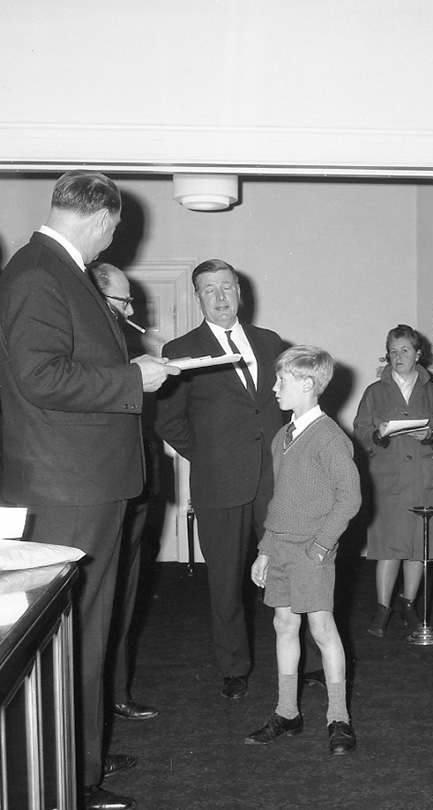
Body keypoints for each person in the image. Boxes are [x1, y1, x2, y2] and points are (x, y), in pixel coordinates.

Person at [0, 171, 178, 810]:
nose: (113, 237)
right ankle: (71, 777)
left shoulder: (49, 269)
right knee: (73, 635)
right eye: (114, 226)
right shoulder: (40, 273)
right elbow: (41, 376)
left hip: (79, 481)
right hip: (66, 485)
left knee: (89, 628)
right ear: (101, 217)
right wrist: (133, 378)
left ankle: (83, 758)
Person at [154, 259, 285, 700]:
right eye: (209, 290)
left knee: (287, 574)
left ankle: (296, 660)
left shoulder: (269, 342)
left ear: (240, 292)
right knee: (226, 581)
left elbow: (281, 407)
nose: (221, 296)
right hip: (219, 484)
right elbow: (169, 422)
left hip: (273, 481)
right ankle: (234, 667)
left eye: (227, 287)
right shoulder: (181, 349)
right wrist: (210, 458)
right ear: (198, 298)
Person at [245, 346, 361, 755]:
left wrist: (321, 545)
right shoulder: (283, 436)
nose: (274, 389)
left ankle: (338, 717)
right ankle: (287, 710)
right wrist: (264, 549)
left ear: (308, 384)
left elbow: (349, 498)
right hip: (280, 548)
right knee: (283, 625)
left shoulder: (329, 437)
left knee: (322, 629)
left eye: (282, 381)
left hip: (313, 550)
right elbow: (280, 502)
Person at [354, 325, 433, 638]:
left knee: (418, 545)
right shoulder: (375, 392)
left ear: (418, 354)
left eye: (405, 350)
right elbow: (360, 429)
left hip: (423, 477)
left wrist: (431, 436)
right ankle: (382, 608)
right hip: (389, 478)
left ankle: (408, 603)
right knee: (388, 545)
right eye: (393, 351)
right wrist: (377, 434)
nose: (398, 357)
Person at [90, 262, 159, 722]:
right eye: (124, 300)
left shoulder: (121, 341)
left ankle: (116, 693)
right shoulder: (86, 344)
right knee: (98, 608)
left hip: (133, 481)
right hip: (97, 486)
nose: (132, 310)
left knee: (124, 597)